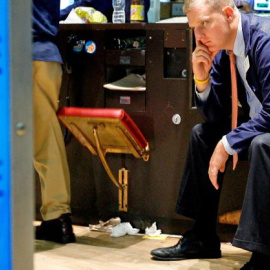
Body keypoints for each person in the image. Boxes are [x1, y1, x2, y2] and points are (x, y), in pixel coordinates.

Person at [150, 0, 270, 269]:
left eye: (204, 23)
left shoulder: (265, 41)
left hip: (267, 132)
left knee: (264, 143)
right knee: (202, 135)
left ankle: (264, 254)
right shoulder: (224, 52)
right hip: (260, 126)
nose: (199, 37)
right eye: (194, 28)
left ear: (228, 14)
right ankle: (202, 237)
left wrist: (228, 142)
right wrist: (201, 79)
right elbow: (215, 117)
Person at [33, 0, 75, 244]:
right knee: (47, 140)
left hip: (17, 55)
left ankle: (56, 218)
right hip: (45, 57)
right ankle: (57, 218)